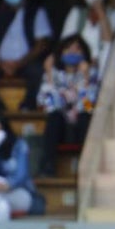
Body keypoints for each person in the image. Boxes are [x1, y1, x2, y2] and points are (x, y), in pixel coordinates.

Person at [36, 35, 98, 177]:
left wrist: (86, 80)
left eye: (77, 49)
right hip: (61, 128)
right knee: (54, 118)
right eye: (68, 48)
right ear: (60, 53)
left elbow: (89, 107)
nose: (72, 52)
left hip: (81, 127)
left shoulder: (91, 74)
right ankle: (48, 168)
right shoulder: (53, 74)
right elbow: (47, 104)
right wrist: (50, 76)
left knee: (85, 117)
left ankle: (87, 169)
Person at [0, 113, 44, 225]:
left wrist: (2, 186)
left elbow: (21, 176)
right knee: (2, 206)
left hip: (20, 193)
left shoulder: (19, 145)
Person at [59, 0, 115, 72]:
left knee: (108, 51)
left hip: (102, 63)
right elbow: (66, 41)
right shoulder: (76, 13)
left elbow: (108, 42)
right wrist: (85, 61)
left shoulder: (113, 15)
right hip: (78, 62)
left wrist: (100, 11)